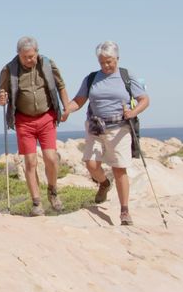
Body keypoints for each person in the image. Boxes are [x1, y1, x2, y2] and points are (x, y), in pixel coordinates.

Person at [64, 41, 150, 226]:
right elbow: (79, 100)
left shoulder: (127, 76)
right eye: (102, 62)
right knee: (91, 163)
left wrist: (133, 113)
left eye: (109, 61)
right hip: (95, 127)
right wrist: (67, 110)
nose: (105, 65)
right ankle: (104, 183)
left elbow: (144, 99)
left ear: (117, 58)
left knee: (119, 169)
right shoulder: (92, 78)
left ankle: (124, 211)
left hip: (119, 128)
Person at [0, 36, 72, 216]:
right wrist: (1, 99)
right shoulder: (8, 70)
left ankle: (53, 192)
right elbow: (1, 95)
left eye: (32, 56)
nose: (29, 60)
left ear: (37, 52)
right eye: (25, 57)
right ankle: (37, 203)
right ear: (18, 55)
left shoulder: (47, 64)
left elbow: (61, 86)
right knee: (30, 161)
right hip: (24, 121)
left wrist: (66, 106)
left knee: (51, 158)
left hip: (46, 117)